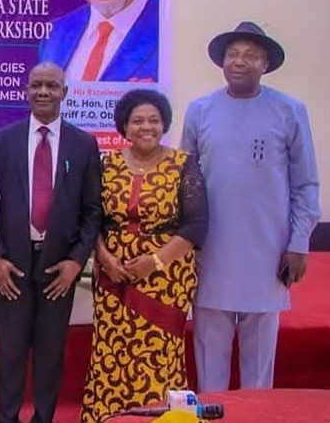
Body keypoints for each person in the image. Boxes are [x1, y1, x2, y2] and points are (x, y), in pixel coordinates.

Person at [181, 21, 320, 392]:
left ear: (266, 64)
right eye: (233, 54)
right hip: (211, 253)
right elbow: (185, 183)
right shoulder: (200, 111)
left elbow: (306, 184)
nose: (240, 62)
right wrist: (184, 244)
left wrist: (299, 243)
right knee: (210, 359)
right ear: (222, 62)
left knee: (259, 367)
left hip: (268, 252)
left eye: (251, 56)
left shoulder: (289, 110)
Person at [80, 89, 208, 423]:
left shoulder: (184, 164)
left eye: (154, 120)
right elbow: (91, 219)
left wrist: (154, 261)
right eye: (138, 120)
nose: (146, 127)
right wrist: (105, 260)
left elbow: (196, 225)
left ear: (164, 123)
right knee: (112, 354)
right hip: (114, 278)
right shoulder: (106, 165)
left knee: (159, 357)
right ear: (124, 125)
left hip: (166, 280)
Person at [0, 62, 102, 423]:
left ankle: (44, 418)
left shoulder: (84, 145)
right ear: (26, 90)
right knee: (9, 353)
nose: (42, 92)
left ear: (64, 93)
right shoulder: (1, 141)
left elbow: (92, 211)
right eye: (36, 85)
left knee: (51, 354)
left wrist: (76, 262)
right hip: (12, 267)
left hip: (59, 269)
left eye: (51, 86)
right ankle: (6, 419)